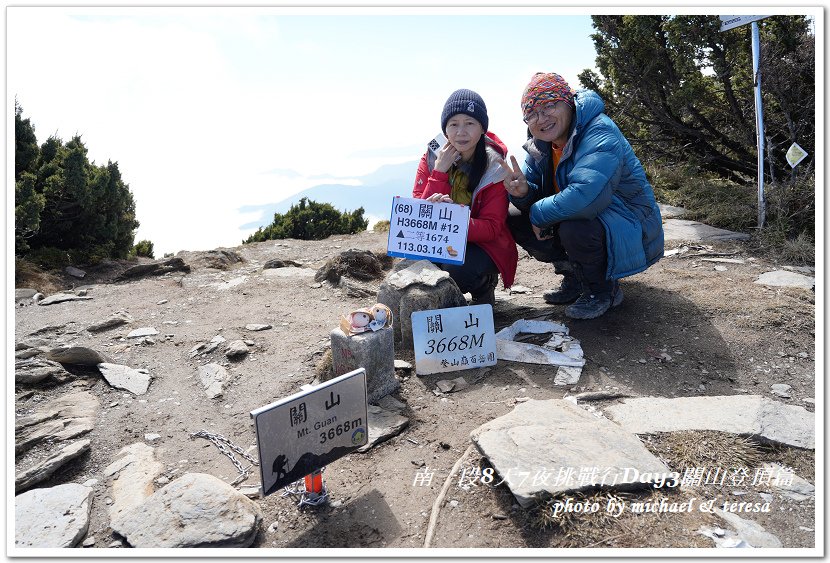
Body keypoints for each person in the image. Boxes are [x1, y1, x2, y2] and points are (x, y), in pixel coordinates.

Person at [499, 72, 664, 319]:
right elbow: (537, 194)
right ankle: (575, 276)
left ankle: (602, 289)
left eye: (549, 106)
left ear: (568, 101)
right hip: (592, 217)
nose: (541, 119)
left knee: (573, 224)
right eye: (532, 114)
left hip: (629, 222)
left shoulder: (599, 131)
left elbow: (586, 198)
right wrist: (523, 194)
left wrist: (536, 212)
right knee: (514, 216)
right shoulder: (541, 145)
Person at [413, 89, 518, 306]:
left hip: (482, 244)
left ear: (482, 129)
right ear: (445, 129)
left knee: (455, 271)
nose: (461, 132)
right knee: (415, 265)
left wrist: (450, 220)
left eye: (470, 123)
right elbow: (417, 216)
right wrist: (439, 173)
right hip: (442, 238)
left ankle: (484, 286)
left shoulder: (495, 167)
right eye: (454, 124)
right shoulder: (432, 158)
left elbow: (491, 228)